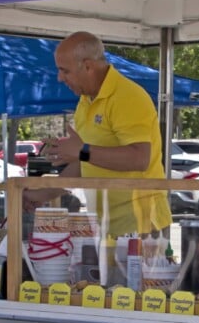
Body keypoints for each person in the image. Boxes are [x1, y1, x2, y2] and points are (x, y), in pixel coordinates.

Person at [28, 31, 171, 240]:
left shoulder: (127, 96)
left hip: (141, 225)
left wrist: (82, 151)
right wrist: (40, 193)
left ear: (87, 66)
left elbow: (140, 158)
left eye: (64, 71)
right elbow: (87, 163)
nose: (59, 78)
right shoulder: (85, 101)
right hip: (105, 226)